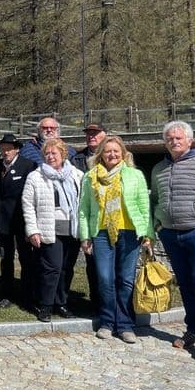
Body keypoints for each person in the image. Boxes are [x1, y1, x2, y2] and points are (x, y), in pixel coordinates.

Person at [151, 120, 195, 362]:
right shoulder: (159, 168)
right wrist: (158, 225)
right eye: (170, 138)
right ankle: (192, 329)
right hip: (171, 235)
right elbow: (156, 199)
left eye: (179, 138)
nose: (174, 141)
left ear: (189, 140)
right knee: (186, 285)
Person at [78, 135, 151, 344]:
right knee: (105, 278)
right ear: (101, 153)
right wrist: (84, 236)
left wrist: (147, 234)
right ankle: (107, 322)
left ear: (123, 154)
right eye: (108, 151)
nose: (112, 154)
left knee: (125, 279)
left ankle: (125, 324)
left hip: (129, 233)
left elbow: (143, 205)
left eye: (116, 151)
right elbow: (83, 209)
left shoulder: (135, 175)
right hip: (100, 233)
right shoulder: (90, 177)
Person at [21, 138, 83, 322]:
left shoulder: (77, 175)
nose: (50, 156)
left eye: (54, 153)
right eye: (47, 154)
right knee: (52, 269)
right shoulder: (36, 176)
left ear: (63, 154)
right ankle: (45, 305)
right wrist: (32, 230)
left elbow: (83, 202)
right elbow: (27, 204)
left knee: (66, 269)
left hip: (72, 229)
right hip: (49, 230)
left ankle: (61, 303)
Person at [0, 133, 37, 310]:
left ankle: (27, 293)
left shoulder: (28, 165)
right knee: (6, 258)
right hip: (3, 219)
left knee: (26, 258)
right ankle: (7, 293)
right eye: (3, 149)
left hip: (21, 219)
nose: (5, 152)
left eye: (8, 149)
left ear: (16, 149)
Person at [71, 122, 107, 312]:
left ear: (105, 134)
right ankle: (95, 301)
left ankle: (110, 302)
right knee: (91, 262)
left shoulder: (112, 155)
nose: (91, 136)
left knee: (107, 264)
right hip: (83, 215)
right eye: (89, 133)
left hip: (107, 217)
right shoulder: (76, 159)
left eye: (96, 133)